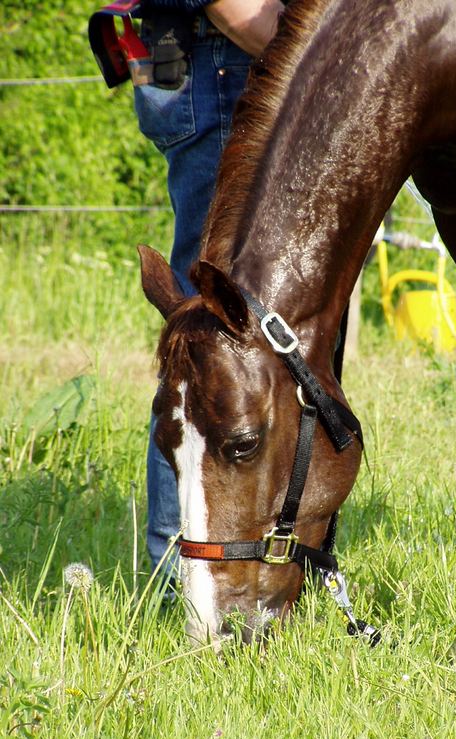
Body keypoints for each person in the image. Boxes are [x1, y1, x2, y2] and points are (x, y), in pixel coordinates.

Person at [132, 0, 285, 577]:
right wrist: (297, 48)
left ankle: (282, 556)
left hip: (211, 63)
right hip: (223, 57)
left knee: (268, 328)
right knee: (205, 340)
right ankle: (180, 574)